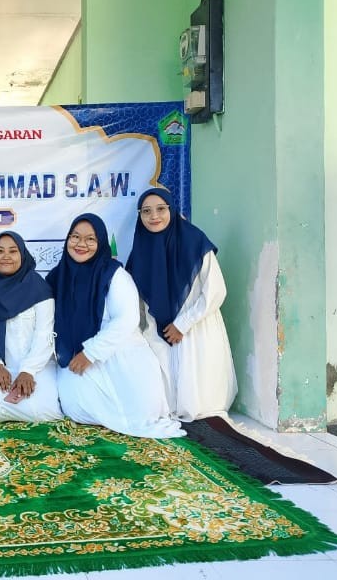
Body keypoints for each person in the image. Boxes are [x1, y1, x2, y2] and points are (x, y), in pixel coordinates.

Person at [47, 213, 184, 438]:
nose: (81, 244)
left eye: (90, 239)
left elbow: (127, 320)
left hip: (118, 354)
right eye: (75, 237)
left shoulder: (115, 275)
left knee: (141, 412)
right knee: (75, 407)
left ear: (101, 242)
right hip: (75, 355)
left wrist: (90, 353)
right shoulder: (57, 277)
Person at [126, 187, 237, 421]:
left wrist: (182, 324)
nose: (154, 216)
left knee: (201, 404)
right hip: (158, 330)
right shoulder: (140, 250)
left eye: (161, 209)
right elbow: (137, 300)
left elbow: (216, 290)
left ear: (172, 210)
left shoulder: (194, 241)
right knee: (161, 402)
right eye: (146, 211)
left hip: (196, 327)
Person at [0, 231, 62, 422]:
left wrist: (28, 371)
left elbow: (45, 335)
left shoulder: (39, 288)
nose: (6, 256)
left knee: (44, 411)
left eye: (13, 251)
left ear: (22, 255)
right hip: (0, 368)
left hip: (37, 366)